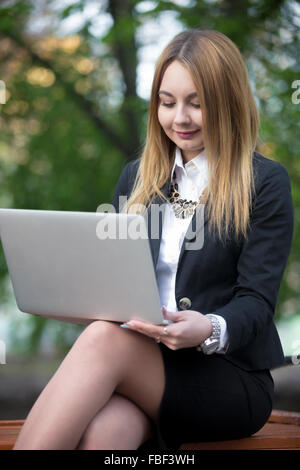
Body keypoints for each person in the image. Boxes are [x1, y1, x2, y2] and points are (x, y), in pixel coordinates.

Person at [14, 28, 294, 451]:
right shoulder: (137, 179)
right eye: (167, 102)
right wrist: (82, 302)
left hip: (228, 376)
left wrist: (207, 328)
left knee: (103, 340)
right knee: (106, 434)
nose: (179, 118)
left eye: (196, 103)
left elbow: (256, 301)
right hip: (143, 365)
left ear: (227, 103)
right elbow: (114, 282)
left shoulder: (264, 183)